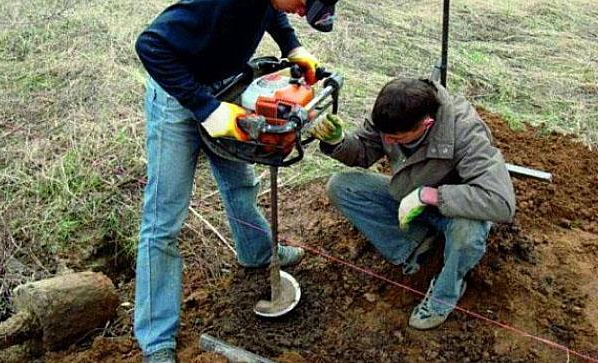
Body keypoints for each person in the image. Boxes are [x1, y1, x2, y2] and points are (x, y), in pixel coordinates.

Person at [133, 0, 338, 361]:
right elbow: (149, 45)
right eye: (303, 5)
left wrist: (292, 44)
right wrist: (204, 107)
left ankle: (257, 252)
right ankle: (156, 338)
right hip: (176, 100)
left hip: (226, 86)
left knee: (240, 183)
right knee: (163, 220)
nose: (300, 12)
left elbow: (271, 9)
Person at [310, 78, 516, 330]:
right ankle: (415, 246)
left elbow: (500, 202)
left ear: (426, 124)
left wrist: (430, 196)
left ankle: (445, 293)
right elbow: (363, 152)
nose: (388, 141)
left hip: (454, 211)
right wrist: (338, 141)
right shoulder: (393, 111)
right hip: (408, 195)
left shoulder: (465, 132)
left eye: (397, 138)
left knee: (468, 232)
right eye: (386, 135)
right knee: (342, 186)